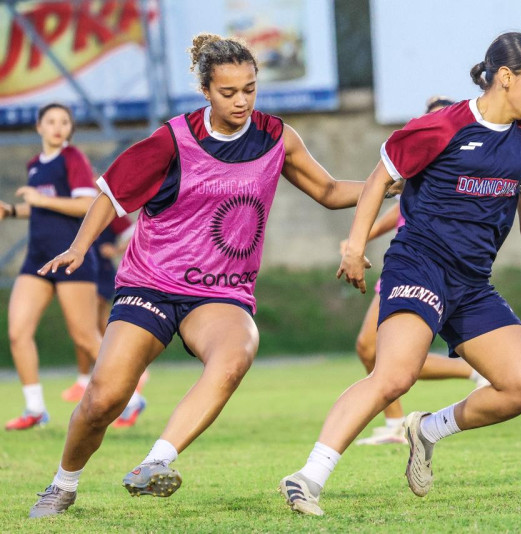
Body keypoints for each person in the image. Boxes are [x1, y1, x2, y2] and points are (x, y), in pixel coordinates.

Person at [28, 33, 363, 518]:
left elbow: (330, 190)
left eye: (250, 88)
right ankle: (63, 483)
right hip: (151, 284)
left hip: (221, 293)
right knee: (104, 398)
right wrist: (79, 247)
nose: (242, 100)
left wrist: (395, 178)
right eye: (229, 92)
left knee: (235, 354)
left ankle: (156, 462)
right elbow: (112, 193)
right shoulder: (173, 140)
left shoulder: (276, 137)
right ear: (206, 90)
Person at [279, 32, 521, 516]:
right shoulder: (440, 127)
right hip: (419, 266)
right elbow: (378, 180)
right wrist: (355, 242)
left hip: (472, 285)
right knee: (393, 376)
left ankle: (426, 430)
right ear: (506, 77)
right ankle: (308, 477)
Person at [348, 96, 490, 446]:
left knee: (381, 351)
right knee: (369, 349)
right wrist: (360, 238)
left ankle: (475, 370)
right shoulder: (420, 154)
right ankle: (396, 422)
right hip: (404, 264)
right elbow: (396, 207)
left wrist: (360, 238)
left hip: (421, 267)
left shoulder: (454, 163)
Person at [0, 103, 103, 431]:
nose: (58, 127)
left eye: (64, 122)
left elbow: (86, 204)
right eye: (51, 121)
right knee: (18, 331)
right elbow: (41, 209)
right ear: (39, 127)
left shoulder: (72, 158)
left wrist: (40, 200)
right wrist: (14, 211)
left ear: (70, 129)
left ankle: (131, 398)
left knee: (85, 337)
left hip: (71, 255)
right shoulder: (34, 166)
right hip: (37, 259)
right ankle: (35, 409)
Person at [60, 214, 137, 405]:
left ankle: (116, 384)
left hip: (100, 273)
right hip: (83, 271)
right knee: (99, 328)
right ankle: (92, 379)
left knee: (86, 328)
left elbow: (137, 232)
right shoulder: (77, 206)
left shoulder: (108, 208)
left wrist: (117, 249)